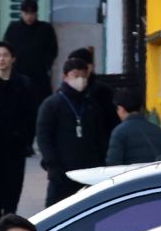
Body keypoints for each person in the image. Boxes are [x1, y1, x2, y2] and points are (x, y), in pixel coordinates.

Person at [35, 57, 115, 206]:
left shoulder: (91, 105)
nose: (80, 80)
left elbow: (100, 136)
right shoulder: (52, 105)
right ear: (65, 77)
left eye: (84, 76)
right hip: (61, 172)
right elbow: (44, 137)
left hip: (89, 170)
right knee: (56, 209)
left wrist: (101, 162)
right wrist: (52, 164)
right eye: (75, 75)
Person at [0, 42, 38, 221]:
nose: (1, 59)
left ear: (13, 58)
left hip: (15, 144)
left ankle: (9, 216)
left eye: (5, 55)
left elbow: (31, 114)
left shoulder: (24, 84)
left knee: (13, 184)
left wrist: (26, 139)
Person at [0, 0, 60, 92]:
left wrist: (45, 65)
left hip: (39, 76)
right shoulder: (13, 28)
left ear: (36, 13)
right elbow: (6, 48)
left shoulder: (46, 29)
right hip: (17, 74)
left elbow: (53, 50)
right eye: (26, 13)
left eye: (32, 13)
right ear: (21, 13)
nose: (29, 17)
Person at [106, 88, 161, 165]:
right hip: (155, 172)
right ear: (141, 108)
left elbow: (113, 163)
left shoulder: (119, 132)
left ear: (121, 109)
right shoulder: (157, 130)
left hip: (132, 173)